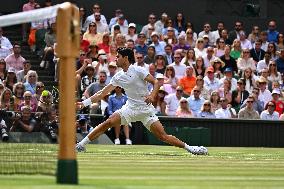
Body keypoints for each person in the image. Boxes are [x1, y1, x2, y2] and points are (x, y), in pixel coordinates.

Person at [76, 47, 208, 155]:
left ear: (126, 58)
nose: (116, 59)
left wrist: (152, 95)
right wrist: (84, 103)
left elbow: (156, 82)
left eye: (118, 57)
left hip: (146, 110)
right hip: (130, 109)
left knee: (163, 136)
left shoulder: (139, 70)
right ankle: (81, 145)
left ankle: (191, 148)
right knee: (108, 122)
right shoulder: (118, 76)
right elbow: (102, 93)